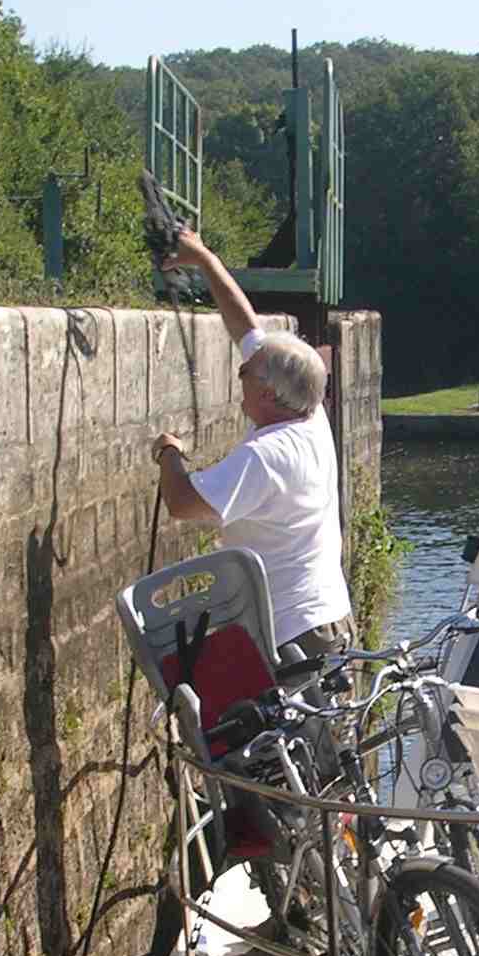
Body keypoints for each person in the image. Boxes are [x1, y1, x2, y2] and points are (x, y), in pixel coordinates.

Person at [150, 228, 355, 658]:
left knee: (266, 726)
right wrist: (205, 260)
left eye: (247, 372)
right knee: (325, 726)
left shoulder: (268, 457)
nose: (240, 372)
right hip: (328, 619)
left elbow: (183, 502)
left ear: (266, 394)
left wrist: (168, 453)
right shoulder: (309, 410)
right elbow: (246, 326)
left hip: (292, 634)